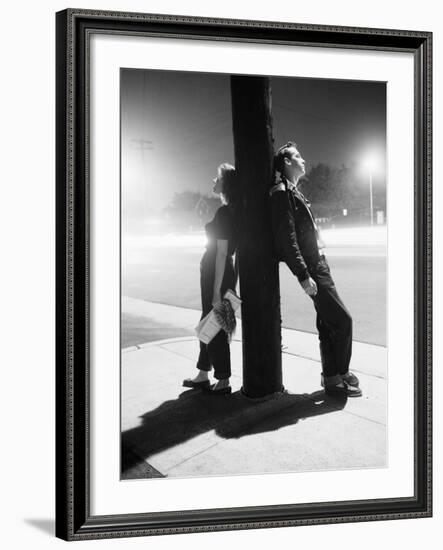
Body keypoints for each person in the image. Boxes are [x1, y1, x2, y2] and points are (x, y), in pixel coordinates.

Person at [270, 142, 362, 397]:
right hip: (312, 267)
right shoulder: (281, 193)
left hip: (318, 262)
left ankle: (331, 378)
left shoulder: (295, 192)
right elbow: (286, 239)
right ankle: (341, 373)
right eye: (298, 156)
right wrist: (303, 275)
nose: (303, 159)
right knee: (343, 321)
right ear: (286, 162)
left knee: (327, 324)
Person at [183, 163, 238, 395]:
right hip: (218, 271)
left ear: (226, 183)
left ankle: (223, 379)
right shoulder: (229, 210)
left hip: (217, 272)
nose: (213, 181)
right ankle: (203, 373)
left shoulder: (226, 213)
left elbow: (223, 252)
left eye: (216, 178)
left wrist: (217, 290)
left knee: (214, 324)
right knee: (209, 321)